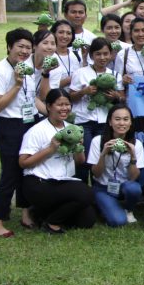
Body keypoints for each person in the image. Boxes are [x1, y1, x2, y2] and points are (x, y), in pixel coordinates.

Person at [19, 89, 95, 234]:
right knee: (86, 193)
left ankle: (41, 213)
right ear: (48, 106)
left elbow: (80, 161)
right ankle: (51, 223)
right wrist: (50, 149)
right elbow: (23, 163)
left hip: (63, 181)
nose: (64, 108)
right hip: (39, 182)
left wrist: (79, 147)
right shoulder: (37, 130)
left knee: (87, 220)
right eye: (60, 105)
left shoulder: (72, 129)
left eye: (67, 104)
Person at [0, 28, 39, 236]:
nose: (25, 51)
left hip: (30, 121)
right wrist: (17, 85)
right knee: (10, 172)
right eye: (20, 46)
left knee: (28, 169)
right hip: (9, 125)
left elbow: (33, 97)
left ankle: (26, 213)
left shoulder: (27, 66)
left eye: (28, 47)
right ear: (9, 46)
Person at [69, 38, 125, 182]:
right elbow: (71, 97)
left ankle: (97, 191)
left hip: (105, 122)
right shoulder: (80, 73)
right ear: (92, 55)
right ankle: (80, 188)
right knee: (84, 157)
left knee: (100, 157)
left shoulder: (115, 75)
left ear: (111, 55)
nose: (102, 57)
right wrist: (84, 92)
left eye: (106, 54)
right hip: (84, 121)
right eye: (98, 54)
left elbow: (123, 98)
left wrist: (116, 96)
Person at [87, 104, 144, 227]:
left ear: (130, 123)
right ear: (110, 122)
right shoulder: (98, 141)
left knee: (134, 188)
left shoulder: (137, 144)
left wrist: (133, 156)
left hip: (125, 186)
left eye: (126, 119)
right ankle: (107, 205)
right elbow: (96, 173)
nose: (121, 123)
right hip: (103, 187)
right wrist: (103, 154)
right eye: (117, 119)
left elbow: (133, 178)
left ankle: (128, 209)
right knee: (118, 221)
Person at [115, 17, 144, 86]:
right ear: (131, 33)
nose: (140, 34)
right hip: (133, 96)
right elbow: (117, 82)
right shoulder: (123, 54)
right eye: (136, 31)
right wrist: (123, 80)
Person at [51, 19, 84, 88]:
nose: (65, 36)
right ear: (53, 34)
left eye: (69, 33)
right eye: (61, 32)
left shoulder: (77, 55)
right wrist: (70, 79)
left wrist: (85, 57)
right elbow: (48, 86)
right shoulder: (49, 57)